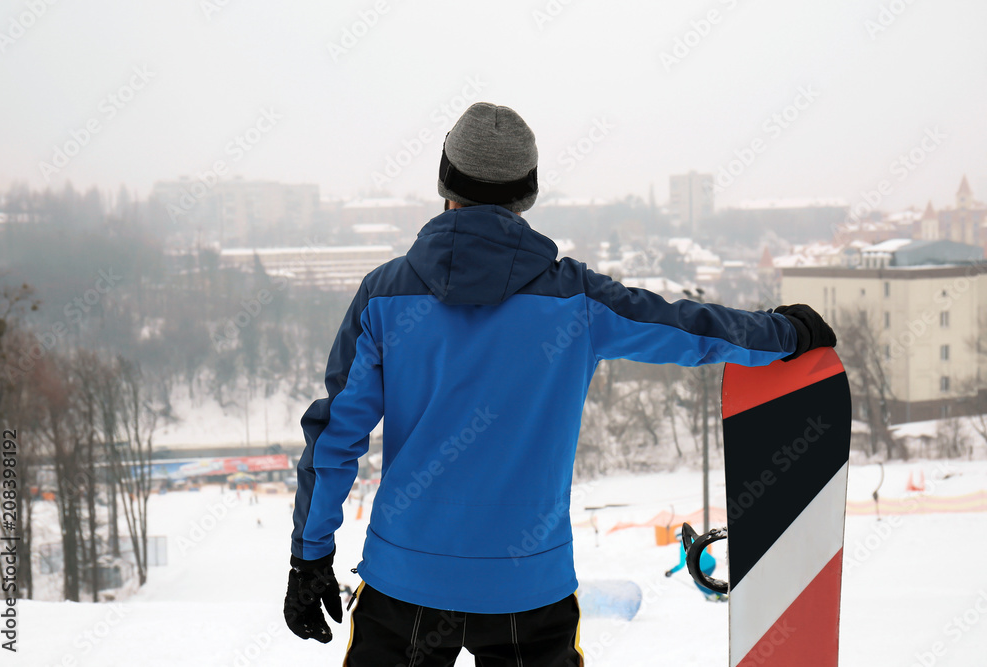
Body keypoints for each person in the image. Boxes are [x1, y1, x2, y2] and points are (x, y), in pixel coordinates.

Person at [283, 102, 836, 665]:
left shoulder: (384, 297)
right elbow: (685, 328)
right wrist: (781, 334)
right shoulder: (577, 300)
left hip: (406, 581)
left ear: (445, 179)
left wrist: (310, 555)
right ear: (528, 193)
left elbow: (335, 438)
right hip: (528, 586)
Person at [665, 529, 724, 602]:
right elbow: (704, 548)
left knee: (701, 581)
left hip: (707, 566)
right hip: (709, 564)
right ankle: (716, 595)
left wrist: (671, 571)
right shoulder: (686, 545)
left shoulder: (685, 546)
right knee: (704, 581)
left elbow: (704, 549)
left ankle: (715, 595)